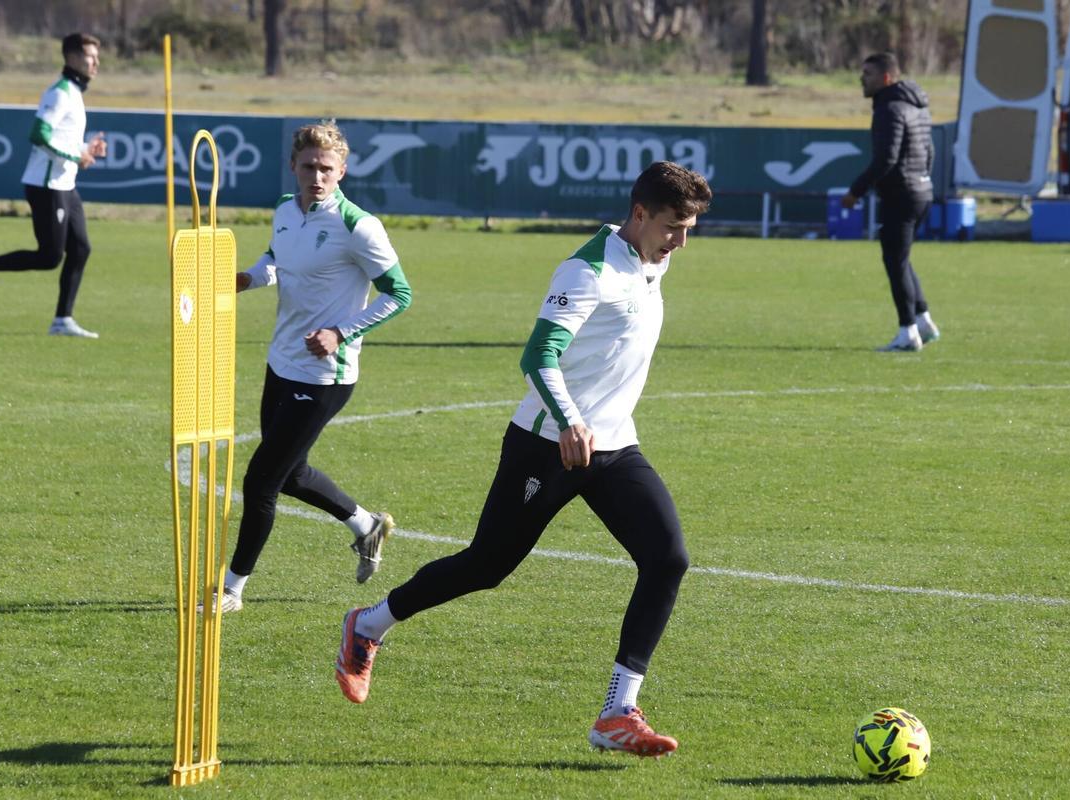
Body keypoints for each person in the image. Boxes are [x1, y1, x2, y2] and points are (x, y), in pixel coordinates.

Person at [335, 161, 711, 758]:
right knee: (487, 565)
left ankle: (617, 712)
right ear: (639, 214)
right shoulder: (587, 271)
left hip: (613, 446)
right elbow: (539, 356)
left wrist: (590, 426)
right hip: (546, 444)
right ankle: (369, 624)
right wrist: (570, 421)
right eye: (673, 226)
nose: (681, 242)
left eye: (689, 228)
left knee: (667, 560)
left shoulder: (651, 259)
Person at [211, 120, 412, 613]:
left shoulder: (358, 226)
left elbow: (399, 294)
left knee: (261, 481)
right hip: (280, 361)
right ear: (293, 166)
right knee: (291, 473)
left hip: (325, 375)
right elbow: (276, 259)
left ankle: (231, 590)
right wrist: (247, 278)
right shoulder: (285, 209)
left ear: (342, 170)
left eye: (326, 168)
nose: (317, 177)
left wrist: (341, 332)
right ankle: (366, 525)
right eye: (308, 167)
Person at [0, 33, 108, 338]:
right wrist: (77, 155)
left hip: (65, 184)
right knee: (49, 257)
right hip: (46, 186)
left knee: (81, 248)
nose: (97, 63)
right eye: (91, 56)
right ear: (72, 58)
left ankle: (62, 320)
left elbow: (60, 139)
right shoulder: (60, 93)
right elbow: (38, 134)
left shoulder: (74, 92)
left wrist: (86, 149)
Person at [842, 51, 940, 352]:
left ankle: (907, 333)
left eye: (867, 73)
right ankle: (923, 320)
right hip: (922, 191)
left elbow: (886, 159)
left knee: (895, 262)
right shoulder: (917, 106)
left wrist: (856, 191)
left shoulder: (889, 108)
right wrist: (923, 178)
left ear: (886, 78)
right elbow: (930, 151)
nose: (862, 79)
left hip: (902, 194)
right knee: (901, 258)